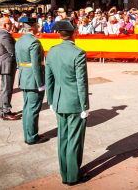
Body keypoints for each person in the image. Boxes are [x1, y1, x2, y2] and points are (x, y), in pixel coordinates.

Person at [46, 18, 90, 186]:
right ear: (74, 33)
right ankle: (72, 176)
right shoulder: (78, 53)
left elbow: (48, 78)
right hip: (74, 101)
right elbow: (81, 82)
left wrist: (50, 100)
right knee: (74, 139)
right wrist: (85, 106)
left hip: (58, 100)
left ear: (60, 35)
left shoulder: (52, 51)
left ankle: (65, 172)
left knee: (62, 138)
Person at [15, 16, 49, 145]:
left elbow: (18, 61)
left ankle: (29, 133)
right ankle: (32, 136)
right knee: (33, 109)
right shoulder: (34, 42)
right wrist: (40, 83)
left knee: (27, 108)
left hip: (24, 76)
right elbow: (36, 65)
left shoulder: (19, 40)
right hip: (34, 79)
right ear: (33, 27)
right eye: (37, 25)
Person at [0, 17, 20, 121]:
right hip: (7, 65)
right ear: (5, 25)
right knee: (7, 89)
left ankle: (4, 110)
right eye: (10, 23)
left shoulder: (2, 33)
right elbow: (12, 51)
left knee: (5, 88)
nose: (12, 25)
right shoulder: (5, 35)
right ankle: (6, 111)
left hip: (5, 64)